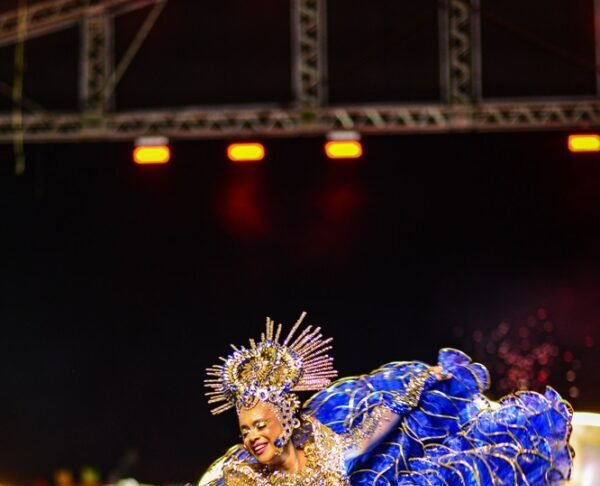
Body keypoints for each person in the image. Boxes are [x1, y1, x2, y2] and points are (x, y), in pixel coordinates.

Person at [200, 312, 573, 485]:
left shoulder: (325, 450)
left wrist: (420, 381)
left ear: (286, 419)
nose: (252, 437)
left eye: (260, 425)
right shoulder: (243, 478)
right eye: (245, 431)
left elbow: (371, 431)